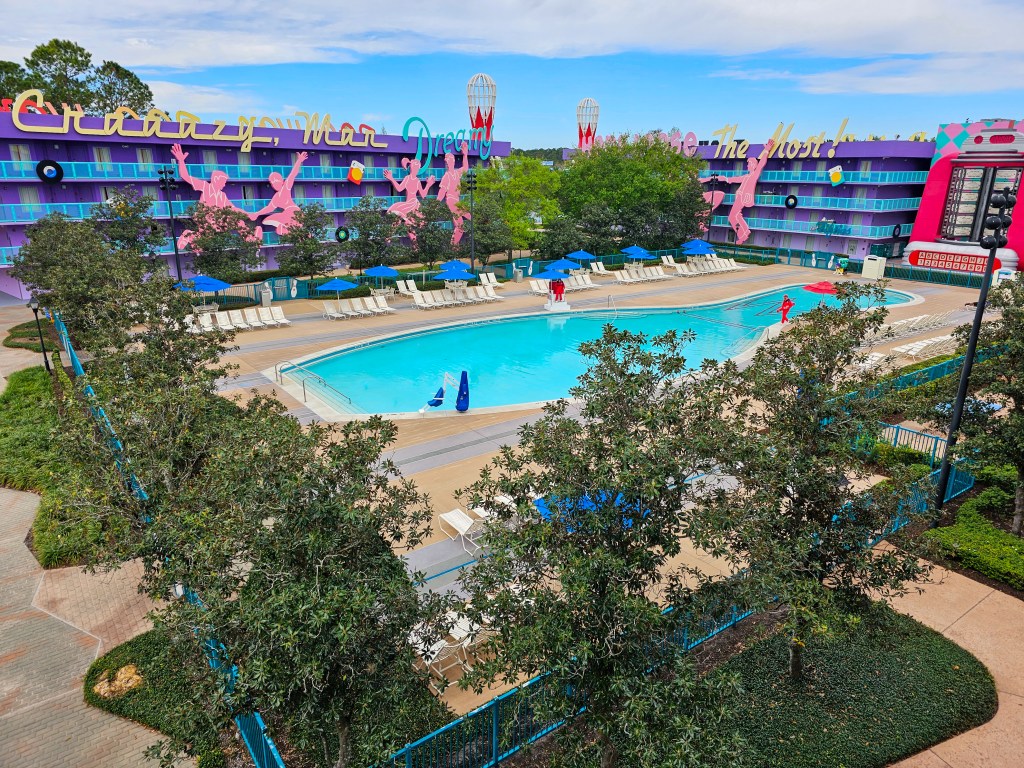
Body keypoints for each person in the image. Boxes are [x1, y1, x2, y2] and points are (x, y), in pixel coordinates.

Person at [252, 151, 309, 235]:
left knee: (283, 226)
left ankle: (298, 233)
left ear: (282, 181)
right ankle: (294, 233)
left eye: (276, 180)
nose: (275, 183)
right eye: (272, 182)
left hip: (294, 212)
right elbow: (269, 208)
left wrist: (299, 161)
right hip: (287, 214)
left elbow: (293, 174)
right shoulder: (276, 197)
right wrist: (257, 214)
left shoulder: (286, 187)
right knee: (269, 222)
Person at [436, 141, 470, 245]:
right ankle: (454, 247)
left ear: (454, 160)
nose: (448, 161)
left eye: (450, 159)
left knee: (471, 216)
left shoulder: (456, 173)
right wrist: (435, 205)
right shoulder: (446, 176)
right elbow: (442, 192)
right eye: (446, 160)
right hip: (451, 200)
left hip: (457, 200)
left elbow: (465, 168)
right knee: (460, 225)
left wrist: (465, 155)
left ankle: (455, 246)